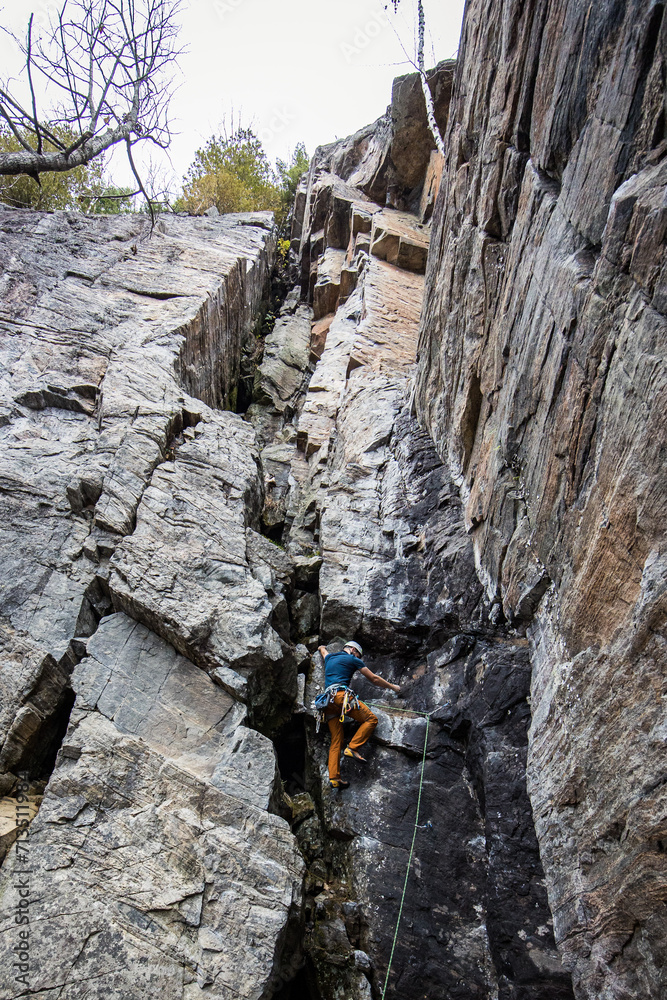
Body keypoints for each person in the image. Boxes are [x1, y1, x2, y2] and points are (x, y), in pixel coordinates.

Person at [316, 640, 400, 789]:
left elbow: (323, 651)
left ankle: (334, 778)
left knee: (336, 740)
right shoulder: (352, 659)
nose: (358, 658)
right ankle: (353, 748)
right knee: (371, 719)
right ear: (353, 650)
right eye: (358, 655)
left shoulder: (330, 658)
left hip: (327, 703)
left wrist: (321, 647)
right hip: (342, 698)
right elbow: (374, 678)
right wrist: (393, 687)